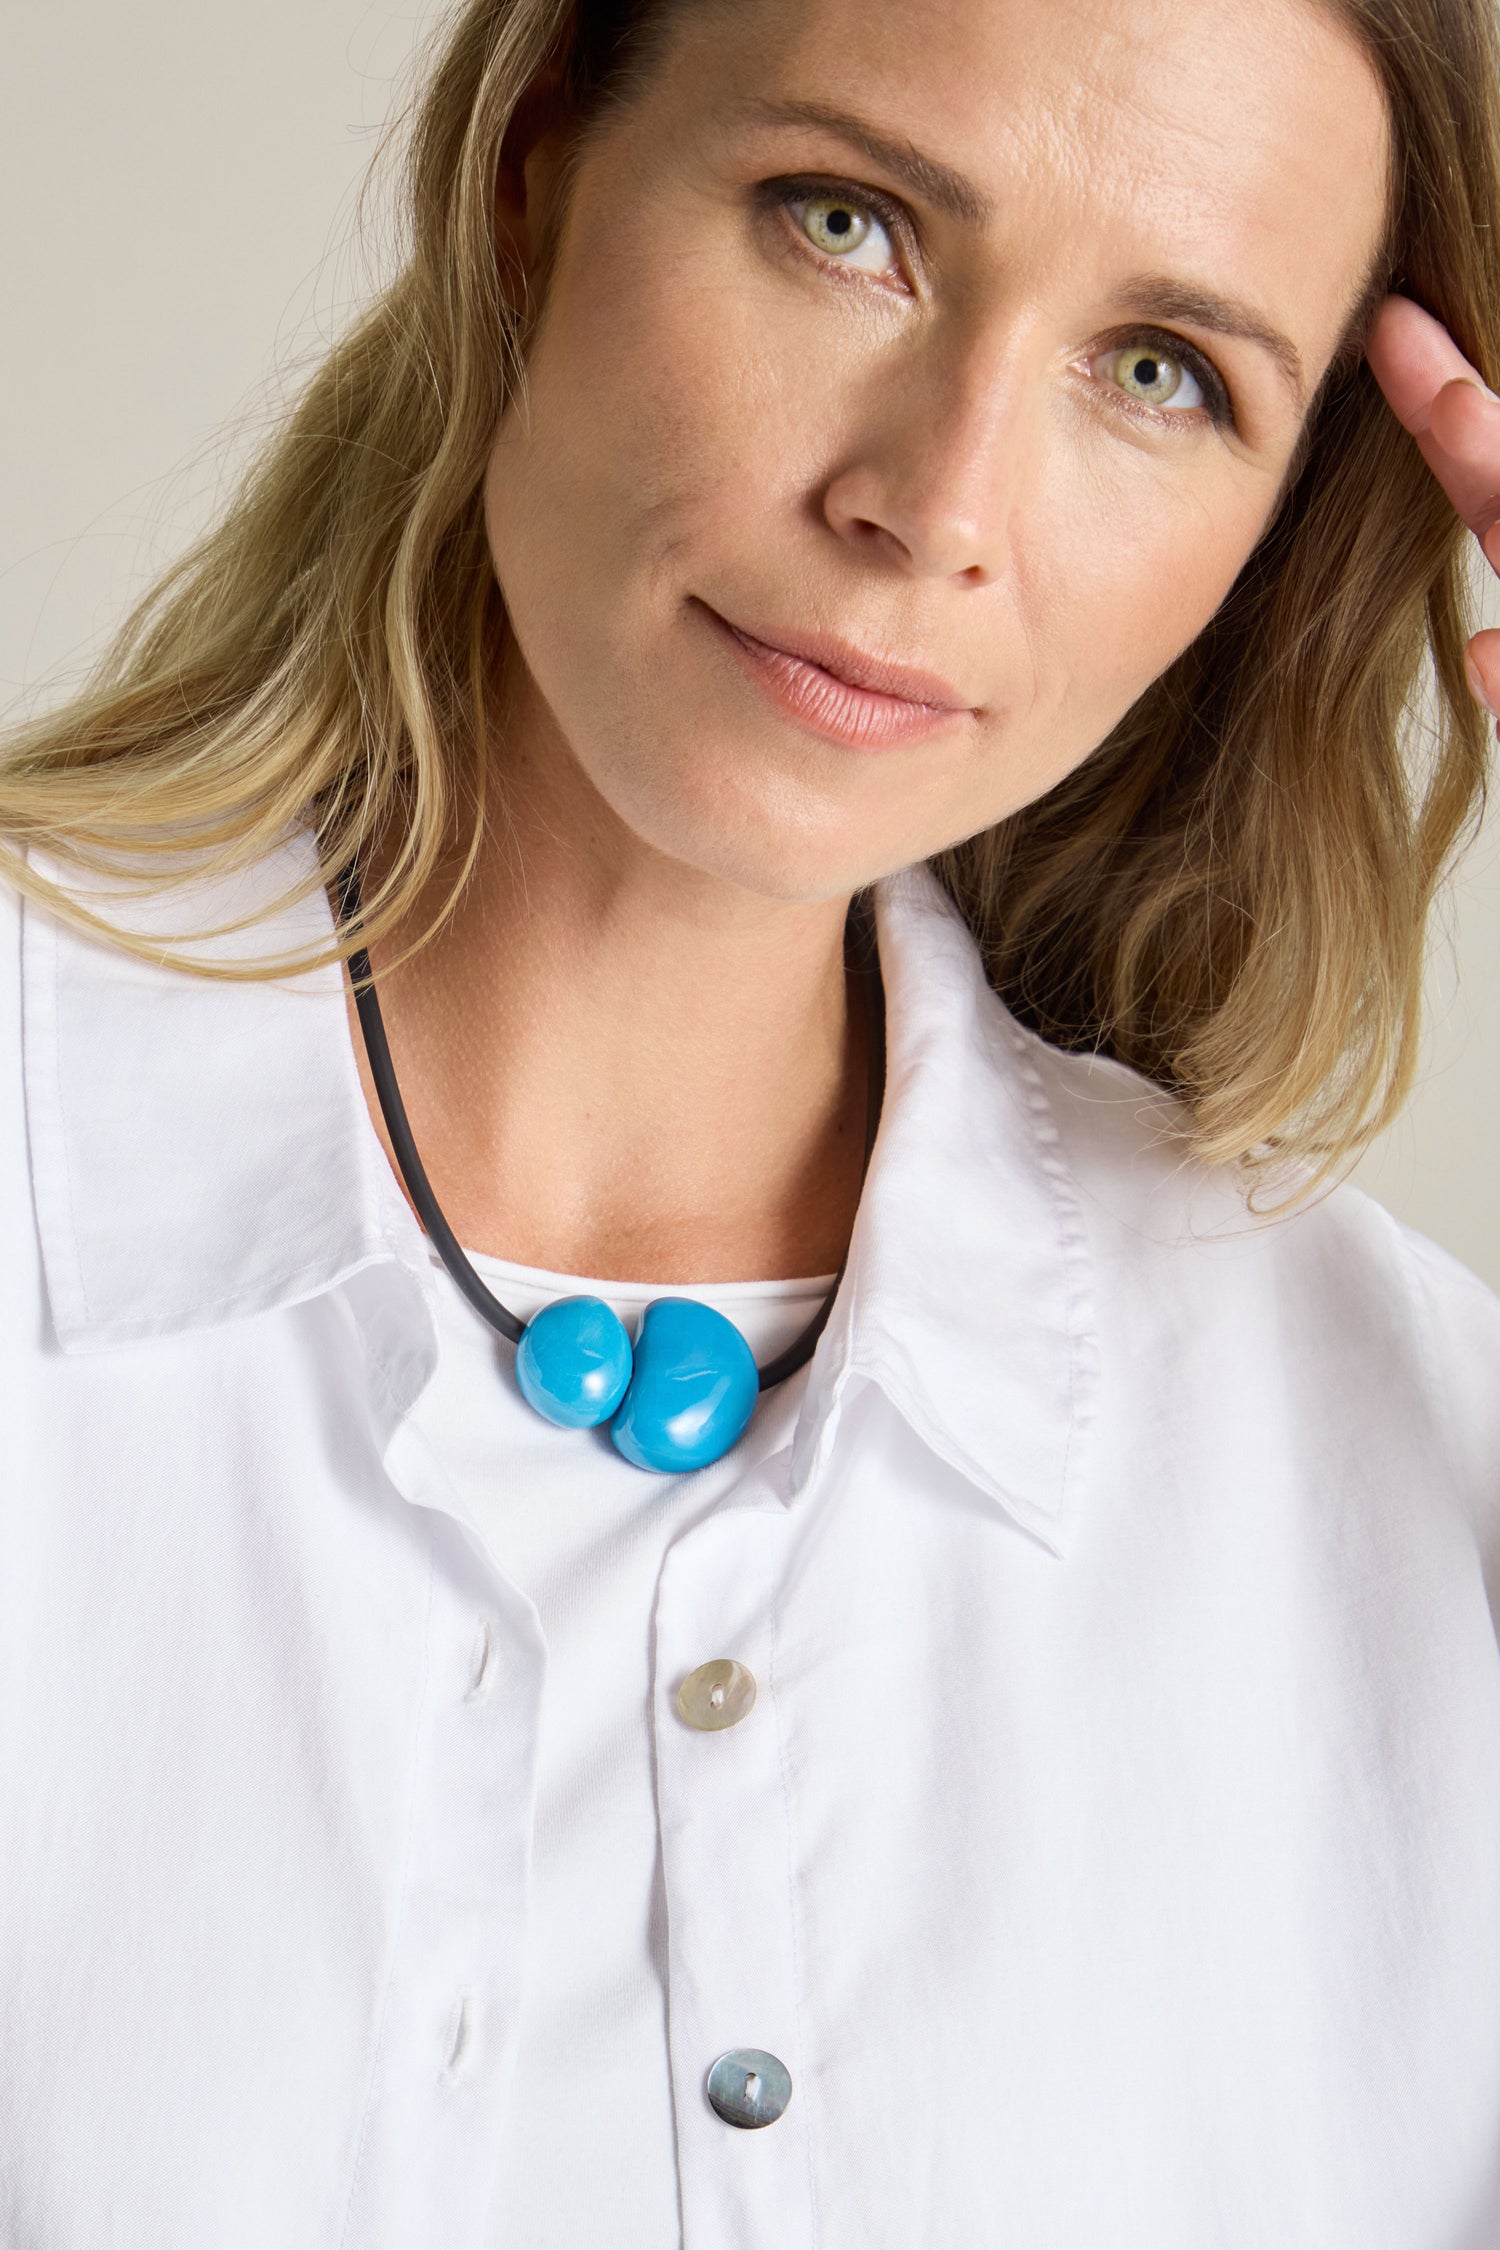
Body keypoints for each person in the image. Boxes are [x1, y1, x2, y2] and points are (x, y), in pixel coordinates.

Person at [3, 0, 1500, 2239]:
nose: (936, 507)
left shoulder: (1414, 1460)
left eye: (1162, 371)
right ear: (536, 172)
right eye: (849, 223)